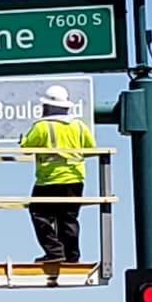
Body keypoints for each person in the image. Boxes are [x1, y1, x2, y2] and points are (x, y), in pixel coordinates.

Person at [18, 84, 95, 263]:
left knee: (40, 214)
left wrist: (23, 141)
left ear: (48, 106)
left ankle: (55, 251)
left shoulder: (42, 126)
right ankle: (72, 255)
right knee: (68, 218)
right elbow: (91, 149)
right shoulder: (79, 126)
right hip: (75, 179)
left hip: (49, 180)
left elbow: (26, 149)